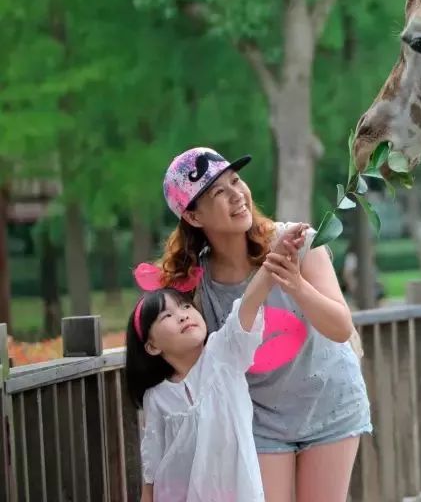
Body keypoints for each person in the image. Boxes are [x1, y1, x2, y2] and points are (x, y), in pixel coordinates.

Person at [153, 147, 371, 502]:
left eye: (235, 181)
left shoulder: (298, 242)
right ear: (193, 217)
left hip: (330, 404)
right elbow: (201, 360)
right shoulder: (196, 283)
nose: (236, 195)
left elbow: (340, 327)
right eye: (218, 193)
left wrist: (296, 284)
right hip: (260, 419)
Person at [126, 225, 305, 502]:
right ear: (151, 346)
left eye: (185, 306)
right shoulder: (157, 397)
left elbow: (248, 304)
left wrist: (274, 260)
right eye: (166, 316)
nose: (183, 315)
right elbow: (153, 466)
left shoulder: (225, 355)